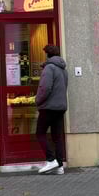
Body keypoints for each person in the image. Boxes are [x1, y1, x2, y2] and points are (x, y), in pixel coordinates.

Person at [35, 44, 68, 175]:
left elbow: (45, 88)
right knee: (57, 136)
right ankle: (60, 166)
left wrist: (37, 100)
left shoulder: (49, 68)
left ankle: (51, 159)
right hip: (60, 107)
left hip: (48, 107)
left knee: (40, 133)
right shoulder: (63, 69)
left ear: (47, 55)